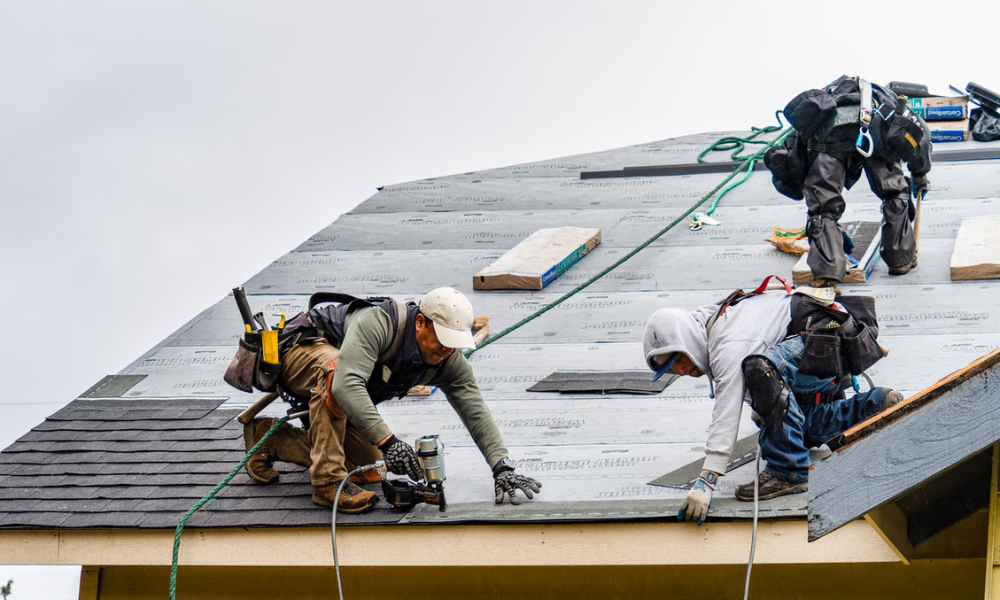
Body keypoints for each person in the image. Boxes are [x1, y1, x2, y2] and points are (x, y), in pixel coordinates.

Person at [246, 287, 541, 513]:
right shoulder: (379, 323)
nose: (447, 350)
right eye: (443, 340)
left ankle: (270, 440)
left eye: (454, 344)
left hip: (335, 391)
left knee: (371, 466)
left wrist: (502, 467)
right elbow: (347, 385)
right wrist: (390, 442)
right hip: (303, 350)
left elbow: (474, 407)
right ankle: (326, 483)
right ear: (420, 323)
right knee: (336, 372)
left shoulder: (447, 358)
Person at [642, 284, 902, 525]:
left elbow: (726, 409)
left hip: (832, 337)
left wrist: (707, 480)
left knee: (759, 370)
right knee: (792, 428)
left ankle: (787, 471)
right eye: (671, 370)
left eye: (678, 359)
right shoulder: (708, 324)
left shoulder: (728, 341)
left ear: (687, 340)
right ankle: (874, 406)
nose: (681, 371)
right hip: (825, 344)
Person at [777, 76, 932, 288]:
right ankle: (900, 259)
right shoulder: (886, 100)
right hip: (876, 132)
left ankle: (827, 272)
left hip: (829, 140)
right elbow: (919, 136)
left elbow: (794, 153)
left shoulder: (822, 104)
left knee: (823, 206)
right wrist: (920, 175)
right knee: (894, 191)